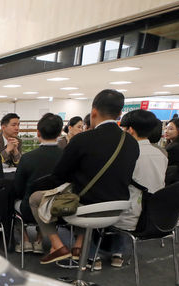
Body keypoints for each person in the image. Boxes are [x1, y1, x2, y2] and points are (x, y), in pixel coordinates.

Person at [28, 89, 139, 264]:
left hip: (86, 208)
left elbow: (59, 176)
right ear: (119, 114)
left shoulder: (82, 140)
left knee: (35, 198)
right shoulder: (131, 142)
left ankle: (57, 246)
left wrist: (34, 186)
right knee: (83, 192)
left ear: (93, 112)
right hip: (117, 208)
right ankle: (79, 246)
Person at [100, 110, 168, 268]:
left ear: (130, 130)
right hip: (156, 217)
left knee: (94, 202)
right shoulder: (161, 154)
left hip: (129, 217)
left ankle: (92, 256)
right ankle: (118, 254)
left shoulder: (128, 153)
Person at [13, 113, 64, 253]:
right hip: (59, 210)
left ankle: (26, 241)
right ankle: (40, 241)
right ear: (60, 132)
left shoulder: (28, 158)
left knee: (12, 201)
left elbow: (18, 189)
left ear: (38, 132)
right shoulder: (66, 157)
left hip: (29, 210)